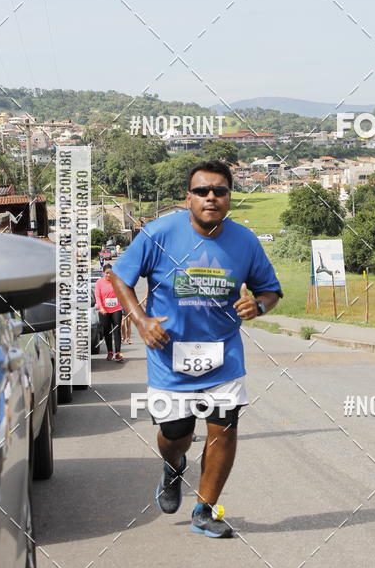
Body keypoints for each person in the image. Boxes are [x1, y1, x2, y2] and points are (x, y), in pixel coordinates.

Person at [110, 160, 282, 538]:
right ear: (188, 197)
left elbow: (271, 290)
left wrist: (259, 305)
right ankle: (173, 467)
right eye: (202, 191)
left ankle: (205, 510)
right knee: (176, 434)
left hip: (223, 354)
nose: (211, 197)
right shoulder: (159, 233)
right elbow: (120, 277)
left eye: (219, 191)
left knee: (224, 428)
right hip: (169, 355)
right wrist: (141, 320)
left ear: (229, 197)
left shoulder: (245, 241)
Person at [94, 262, 125, 363]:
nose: (108, 275)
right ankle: (110, 352)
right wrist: (101, 307)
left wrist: (124, 307)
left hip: (116, 309)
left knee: (117, 331)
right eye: (107, 273)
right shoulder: (99, 282)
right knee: (107, 331)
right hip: (104, 311)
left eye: (110, 273)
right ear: (103, 272)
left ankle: (118, 353)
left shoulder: (116, 281)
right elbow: (97, 296)